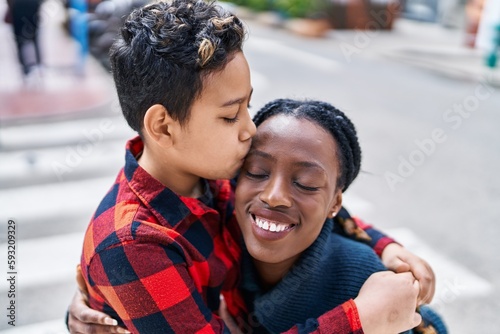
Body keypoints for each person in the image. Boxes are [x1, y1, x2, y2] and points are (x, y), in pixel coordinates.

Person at [68, 1, 436, 333]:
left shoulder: (208, 175)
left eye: (247, 106)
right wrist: (360, 321)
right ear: (163, 126)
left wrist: (381, 244)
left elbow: (306, 198)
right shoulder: (133, 243)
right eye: (230, 115)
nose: (250, 128)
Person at [227, 98, 447, 333]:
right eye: (256, 172)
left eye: (306, 183)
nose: (273, 196)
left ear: (335, 204)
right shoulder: (216, 229)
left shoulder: (362, 282)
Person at [8, 0, 43, 78]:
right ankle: (37, 65)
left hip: (18, 6)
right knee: (34, 37)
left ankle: (25, 68)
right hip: (31, 6)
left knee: (20, 39)